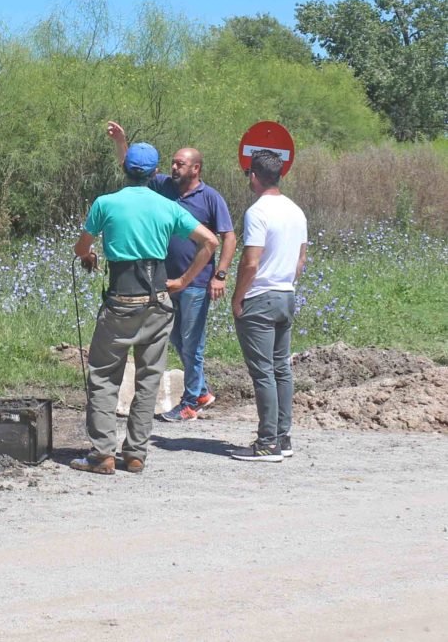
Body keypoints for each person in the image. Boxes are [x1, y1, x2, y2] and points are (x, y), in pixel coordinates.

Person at [70, 142, 219, 475]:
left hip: (121, 300)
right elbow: (211, 241)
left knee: (104, 377)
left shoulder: (105, 203)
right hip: (158, 300)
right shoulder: (167, 206)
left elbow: (82, 247)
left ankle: (102, 454)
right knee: (149, 379)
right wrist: (183, 281)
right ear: (155, 173)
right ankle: (135, 453)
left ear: (124, 169)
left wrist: (88, 256)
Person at [107, 121, 237, 422]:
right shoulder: (163, 186)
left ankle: (191, 401)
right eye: (173, 163)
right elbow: (132, 168)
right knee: (178, 339)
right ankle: (201, 390)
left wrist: (220, 274)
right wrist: (122, 141)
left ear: (196, 169)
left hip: (195, 282)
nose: (174, 168)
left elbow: (227, 236)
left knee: (192, 342)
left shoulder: (210, 198)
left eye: (181, 164)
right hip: (166, 281)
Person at [230, 149, 308, 462]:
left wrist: (238, 298)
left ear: (253, 176)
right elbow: (301, 260)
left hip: (260, 297)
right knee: (281, 370)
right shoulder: (296, 211)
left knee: (263, 372)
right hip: (286, 294)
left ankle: (267, 443)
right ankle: (282, 437)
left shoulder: (257, 211)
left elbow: (251, 262)